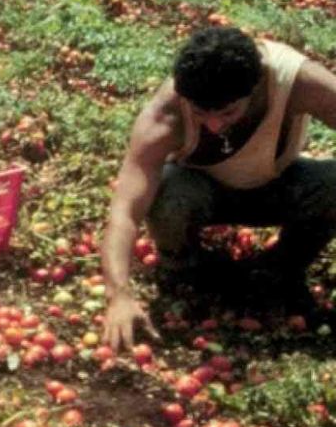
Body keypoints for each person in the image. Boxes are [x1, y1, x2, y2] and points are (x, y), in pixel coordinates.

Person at [101, 25, 336, 350]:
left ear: (254, 89)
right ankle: (185, 271)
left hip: (279, 184)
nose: (214, 125)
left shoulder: (298, 83)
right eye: (200, 113)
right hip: (200, 192)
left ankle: (281, 270)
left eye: (228, 112)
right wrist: (118, 295)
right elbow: (125, 210)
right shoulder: (165, 116)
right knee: (166, 193)